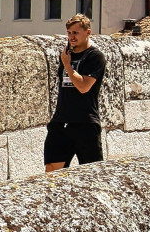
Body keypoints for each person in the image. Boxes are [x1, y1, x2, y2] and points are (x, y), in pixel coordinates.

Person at [45, 14, 106, 171]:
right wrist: (66, 62)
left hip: (85, 123)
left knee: (91, 173)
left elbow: (84, 87)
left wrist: (68, 65)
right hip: (61, 121)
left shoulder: (95, 57)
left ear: (87, 33)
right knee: (52, 169)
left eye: (76, 33)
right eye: (69, 32)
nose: (72, 37)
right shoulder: (66, 55)